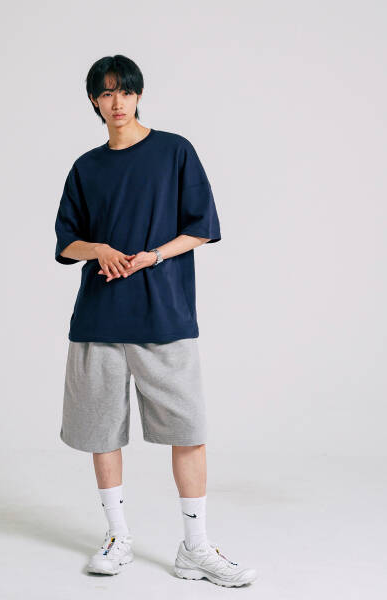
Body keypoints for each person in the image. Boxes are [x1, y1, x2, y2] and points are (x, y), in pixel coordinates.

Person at [54, 54, 257, 587]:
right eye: (106, 93)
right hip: (99, 318)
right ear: (95, 101)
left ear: (139, 95)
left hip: (164, 314)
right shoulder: (86, 167)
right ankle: (117, 536)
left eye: (125, 91)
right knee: (101, 431)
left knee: (187, 430)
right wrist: (98, 248)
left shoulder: (174, 151)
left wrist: (155, 256)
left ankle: (196, 546)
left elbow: (203, 227)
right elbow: (66, 241)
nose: (116, 102)